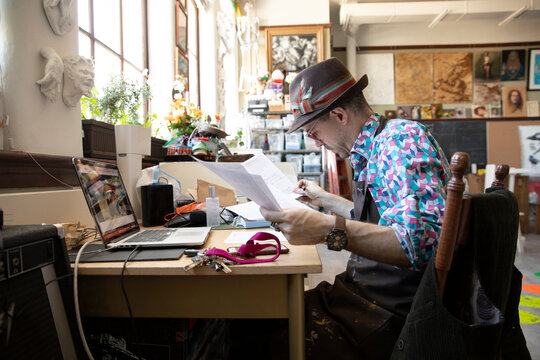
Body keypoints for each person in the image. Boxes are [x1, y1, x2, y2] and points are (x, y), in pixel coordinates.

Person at [259, 58, 450, 359]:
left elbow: (420, 243)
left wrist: (324, 229)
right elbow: (386, 221)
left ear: (338, 115)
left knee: (262, 339)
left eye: (312, 131)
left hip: (393, 315)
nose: (315, 143)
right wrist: (326, 199)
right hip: (365, 296)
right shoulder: (374, 147)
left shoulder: (399, 141)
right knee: (265, 317)